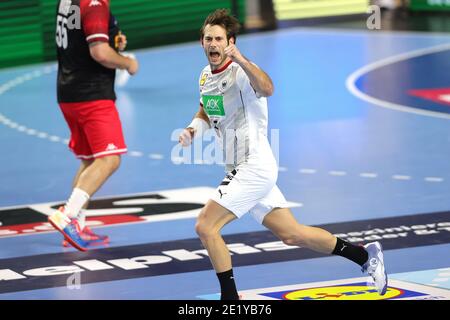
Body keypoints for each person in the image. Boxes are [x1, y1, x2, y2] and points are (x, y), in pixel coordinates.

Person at [179, 9, 388, 300]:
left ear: (230, 42)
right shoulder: (204, 76)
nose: (213, 44)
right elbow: (206, 109)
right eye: (208, 39)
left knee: (206, 225)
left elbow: (268, 88)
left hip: (255, 165)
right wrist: (192, 130)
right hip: (238, 166)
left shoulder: (242, 71)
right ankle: (364, 256)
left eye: (219, 39)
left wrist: (241, 59)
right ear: (202, 43)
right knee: (292, 234)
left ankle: (230, 299)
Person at [48, 0, 139, 251]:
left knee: (89, 159)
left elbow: (81, 38)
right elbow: (99, 52)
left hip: (68, 93)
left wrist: (112, 40)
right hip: (92, 95)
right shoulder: (95, 3)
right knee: (110, 159)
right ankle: (67, 216)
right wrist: (127, 62)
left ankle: (76, 225)